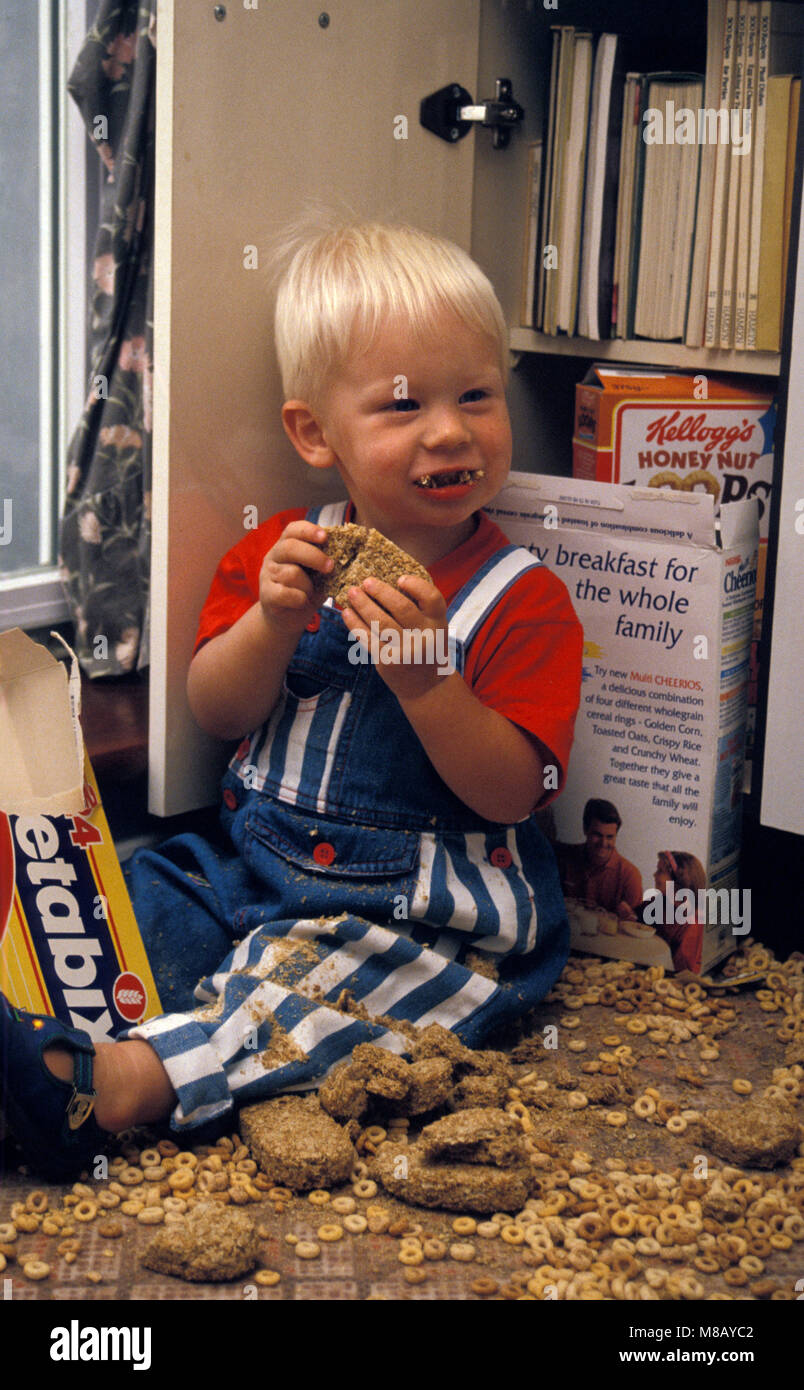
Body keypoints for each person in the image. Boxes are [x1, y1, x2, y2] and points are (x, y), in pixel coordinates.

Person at [1, 221, 583, 1177]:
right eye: (403, 407)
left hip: (423, 919)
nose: (449, 430)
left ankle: (110, 1092)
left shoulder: (524, 600)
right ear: (315, 433)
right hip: (248, 872)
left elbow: (513, 794)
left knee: (314, 1000)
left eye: (477, 396)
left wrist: (431, 683)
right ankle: (38, 1050)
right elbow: (217, 713)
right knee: (132, 910)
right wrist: (271, 627)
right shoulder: (281, 556)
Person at [555, 797, 642, 918]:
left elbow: (637, 927)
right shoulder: (565, 858)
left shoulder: (630, 876)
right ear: (585, 829)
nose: (603, 843)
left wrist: (631, 918)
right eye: (597, 835)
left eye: (610, 837)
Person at [639, 851, 705, 974]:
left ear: (679, 879)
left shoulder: (692, 922)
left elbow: (683, 971)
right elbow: (636, 921)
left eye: (660, 871)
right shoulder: (656, 902)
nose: (654, 875)